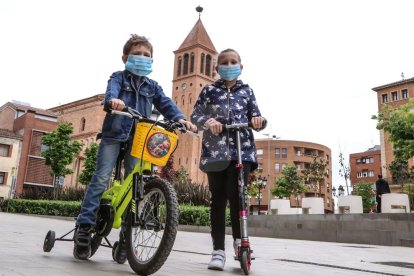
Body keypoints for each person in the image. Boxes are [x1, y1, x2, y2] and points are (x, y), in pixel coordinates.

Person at [73, 34, 196, 260]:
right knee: (101, 177)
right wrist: (114, 101)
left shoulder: (153, 86)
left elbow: (167, 105)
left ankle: (125, 238)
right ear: (125, 58)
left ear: (152, 60)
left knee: (135, 183)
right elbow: (111, 93)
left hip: (139, 138)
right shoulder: (119, 77)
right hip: (114, 133)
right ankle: (84, 226)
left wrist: (180, 119)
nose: (142, 58)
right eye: (136, 54)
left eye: (146, 55)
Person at [191, 48, 266, 271]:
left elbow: (256, 115)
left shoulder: (247, 91)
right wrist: (209, 122)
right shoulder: (209, 90)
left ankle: (238, 243)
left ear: (240, 67)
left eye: (233, 61)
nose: (229, 64)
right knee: (218, 199)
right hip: (215, 153)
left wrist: (258, 120)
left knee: (238, 197)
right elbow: (195, 116)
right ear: (217, 68)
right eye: (224, 62)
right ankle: (218, 251)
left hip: (241, 151)